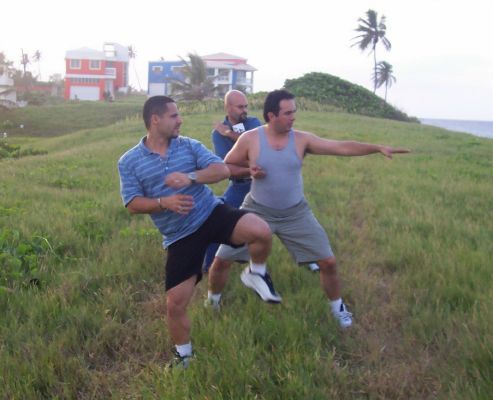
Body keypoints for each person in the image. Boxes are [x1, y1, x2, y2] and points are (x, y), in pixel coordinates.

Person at [207, 89, 410, 328]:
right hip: (256, 210)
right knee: (221, 261)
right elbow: (228, 165)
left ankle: (338, 308)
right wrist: (249, 170)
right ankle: (212, 302)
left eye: (295, 112)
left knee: (328, 263)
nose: (294, 117)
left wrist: (375, 148)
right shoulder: (250, 138)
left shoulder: (302, 139)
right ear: (271, 115)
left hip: (295, 212)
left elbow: (340, 147)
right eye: (288, 113)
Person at [118, 95, 272, 367]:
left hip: (211, 213)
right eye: (174, 115)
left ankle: (255, 273)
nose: (180, 120)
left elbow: (221, 169)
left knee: (260, 230)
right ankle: (184, 356)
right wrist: (162, 203)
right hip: (180, 236)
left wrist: (191, 177)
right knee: (175, 304)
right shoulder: (129, 161)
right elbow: (131, 203)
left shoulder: (188, 145)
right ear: (156, 119)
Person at [203, 90, 320, 272]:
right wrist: (249, 168)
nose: (245, 110)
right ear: (228, 107)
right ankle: (210, 266)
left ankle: (310, 259)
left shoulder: (253, 123)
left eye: (246, 106)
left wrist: (228, 134)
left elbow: (259, 149)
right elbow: (226, 164)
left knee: (287, 219)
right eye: (240, 106)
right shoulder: (216, 134)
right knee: (218, 218)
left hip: (265, 183)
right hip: (240, 184)